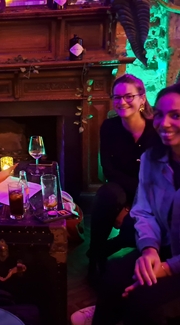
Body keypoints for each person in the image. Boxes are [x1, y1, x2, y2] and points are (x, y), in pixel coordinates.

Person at [72, 83, 180, 325]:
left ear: (142, 99)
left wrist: (167, 268)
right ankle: (98, 264)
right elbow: (146, 209)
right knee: (113, 276)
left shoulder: (151, 139)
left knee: (141, 300)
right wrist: (150, 249)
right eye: (161, 114)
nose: (165, 123)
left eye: (176, 115)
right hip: (156, 236)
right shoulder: (154, 157)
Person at [87, 74, 160, 274]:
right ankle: (95, 256)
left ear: (142, 98)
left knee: (131, 224)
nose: (122, 102)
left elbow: (158, 176)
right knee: (108, 193)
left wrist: (130, 208)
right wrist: (127, 204)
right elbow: (108, 170)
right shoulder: (109, 127)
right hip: (123, 188)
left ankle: (108, 248)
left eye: (129, 96)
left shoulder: (157, 129)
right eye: (117, 97)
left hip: (153, 192)